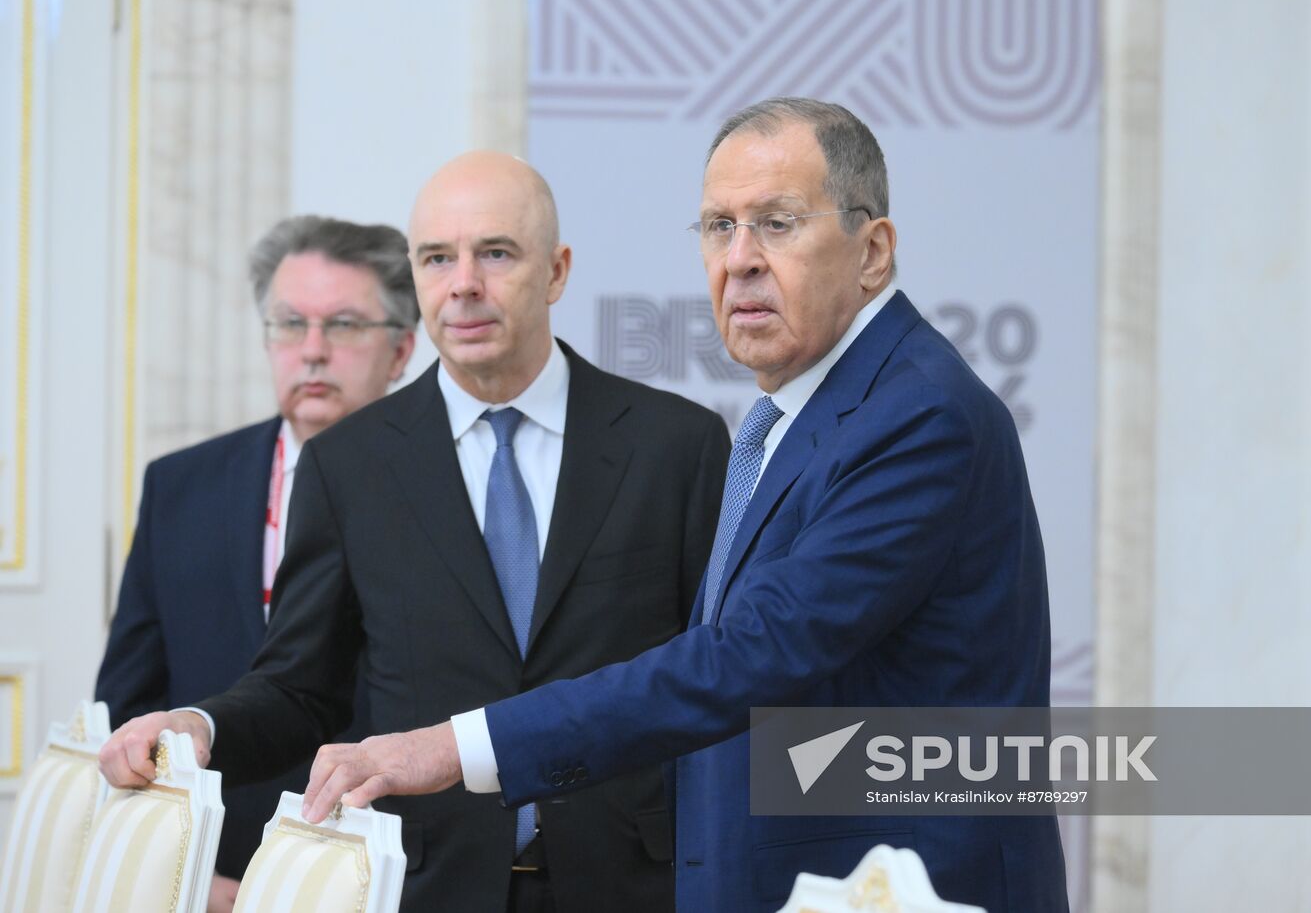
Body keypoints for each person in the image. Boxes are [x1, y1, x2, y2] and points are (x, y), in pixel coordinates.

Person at [286, 98, 1071, 912]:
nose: (741, 260)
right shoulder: (792, 417)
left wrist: (458, 743)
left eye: (777, 223)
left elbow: (750, 654)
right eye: (718, 227)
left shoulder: (916, 415)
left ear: (872, 252)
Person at [100, 152, 730, 912]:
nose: (464, 282)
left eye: (496, 253)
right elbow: (301, 688)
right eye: (437, 257)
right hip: (425, 887)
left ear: (557, 272)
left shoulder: (676, 445)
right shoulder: (347, 465)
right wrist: (201, 725)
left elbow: (719, 680)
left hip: (632, 885)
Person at [94, 215, 417, 907]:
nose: (312, 351)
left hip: (391, 880)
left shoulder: (445, 494)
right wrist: (185, 873)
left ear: (401, 350)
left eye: (345, 325)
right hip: (209, 879)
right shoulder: (181, 486)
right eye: (288, 323)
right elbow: (129, 706)